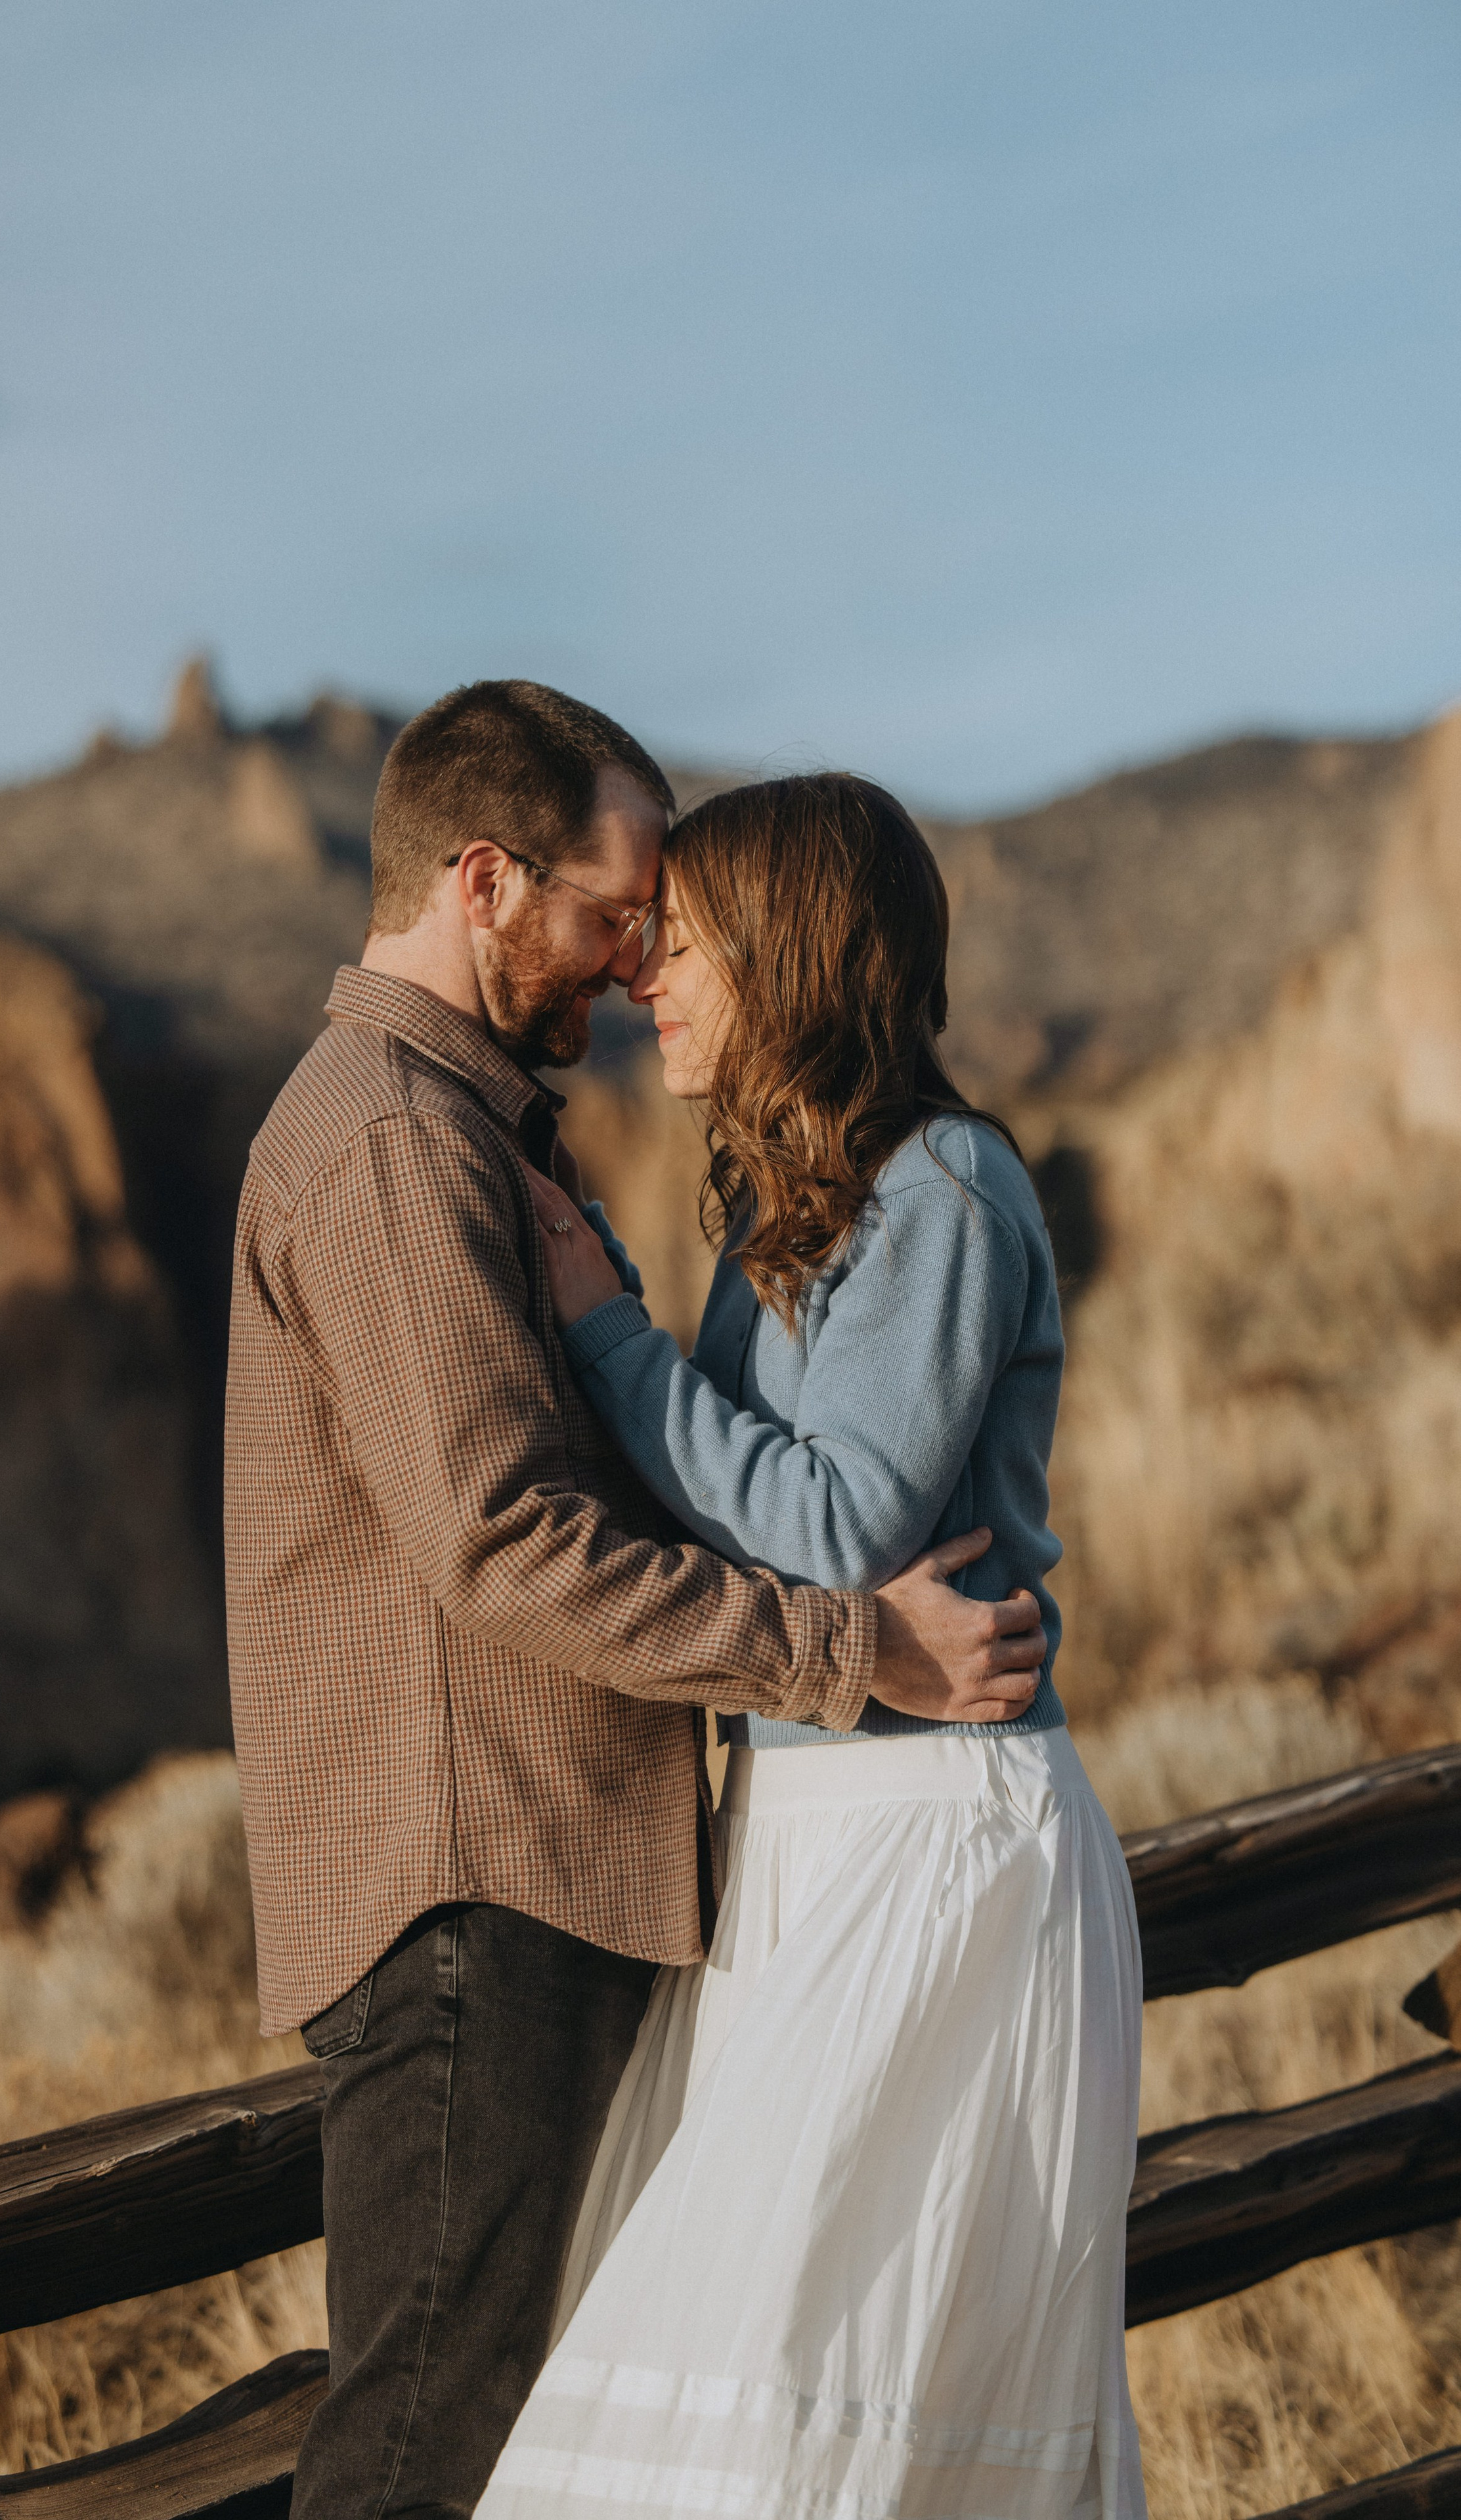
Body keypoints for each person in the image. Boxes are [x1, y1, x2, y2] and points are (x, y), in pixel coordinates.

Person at [224, 685, 1050, 2520]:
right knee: (440, 2449)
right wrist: (848, 1651)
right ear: (489, 880)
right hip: (476, 1887)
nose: (625, 965)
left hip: (548, 1881)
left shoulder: (480, 1134)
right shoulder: (387, 1142)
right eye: (611, 917)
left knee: (559, 2442)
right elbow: (503, 1542)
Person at [480, 771, 1146, 2520]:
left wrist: (606, 1335)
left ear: (787, 956)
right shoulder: (799, 1207)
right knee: (774, 2395)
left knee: (796, 2389)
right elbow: (748, 1515)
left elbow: (837, 1527)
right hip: (815, 1831)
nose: (644, 979)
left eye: (682, 943)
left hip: (934, 1844)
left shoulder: (944, 1186)